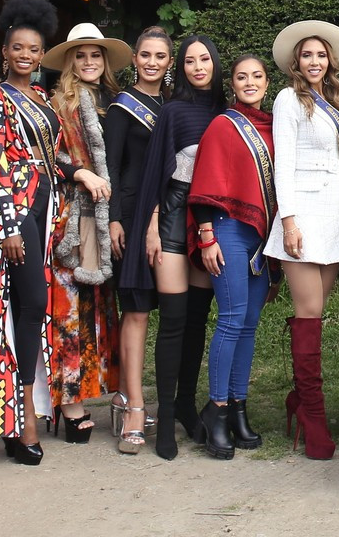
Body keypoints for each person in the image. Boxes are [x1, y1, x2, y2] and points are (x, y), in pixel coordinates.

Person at [117, 33, 224, 459]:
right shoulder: (174, 111)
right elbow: (157, 175)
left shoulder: (227, 111)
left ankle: (184, 403)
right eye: (190, 61)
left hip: (211, 220)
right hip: (175, 217)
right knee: (175, 319)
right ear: (181, 68)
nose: (198, 67)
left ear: (215, 64)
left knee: (198, 320)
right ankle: (161, 415)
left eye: (205, 60)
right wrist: (152, 226)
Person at [264, 20, 339, 460]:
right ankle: (313, 416)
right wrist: (289, 222)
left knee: (317, 314)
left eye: (321, 55)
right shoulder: (287, 99)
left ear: (330, 61)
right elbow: (282, 165)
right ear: (295, 62)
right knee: (309, 313)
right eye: (307, 55)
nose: (314, 61)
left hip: (334, 216)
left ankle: (299, 400)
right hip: (301, 216)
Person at [0, 0, 62, 466]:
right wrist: (9, 224)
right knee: (27, 302)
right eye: (17, 48)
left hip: (46, 206)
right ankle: (23, 412)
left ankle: (26, 405)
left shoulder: (42, 98)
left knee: (36, 306)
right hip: (16, 210)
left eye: (34, 49)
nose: (26, 55)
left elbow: (53, 158)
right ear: (5, 50)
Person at [42, 23, 126, 442]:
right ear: (70, 62)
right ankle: (69, 404)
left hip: (108, 213)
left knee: (100, 308)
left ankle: (94, 391)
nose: (90, 62)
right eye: (81, 55)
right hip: (74, 215)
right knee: (70, 310)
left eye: (96, 55)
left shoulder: (115, 100)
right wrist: (80, 172)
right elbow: (44, 151)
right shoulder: (57, 102)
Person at [190, 54, 277, 460]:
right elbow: (205, 181)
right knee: (230, 319)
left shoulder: (274, 127)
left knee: (250, 324)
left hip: (261, 238)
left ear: (267, 82)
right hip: (227, 231)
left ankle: (239, 407)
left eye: (256, 76)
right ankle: (218, 409)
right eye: (242, 77)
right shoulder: (224, 125)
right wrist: (207, 236)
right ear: (233, 84)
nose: (249, 82)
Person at [103, 26, 170, 455]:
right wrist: (112, 219)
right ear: (135, 60)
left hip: (167, 215)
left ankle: (129, 396)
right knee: (137, 310)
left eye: (160, 56)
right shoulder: (122, 106)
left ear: (168, 62)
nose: (151, 62)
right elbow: (110, 165)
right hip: (129, 213)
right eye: (144, 54)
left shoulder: (174, 105)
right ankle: (133, 405)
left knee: (165, 310)